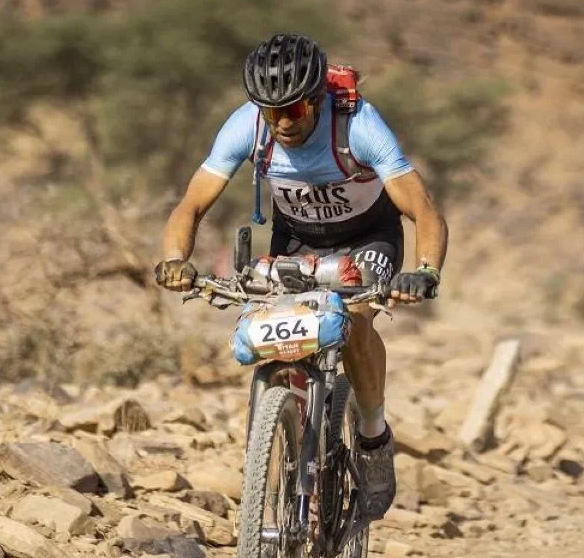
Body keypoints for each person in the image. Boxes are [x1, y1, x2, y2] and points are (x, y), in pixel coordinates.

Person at [155, 33, 449, 522]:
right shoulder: (247, 125)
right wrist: (173, 258)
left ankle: (373, 436)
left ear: (317, 100)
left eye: (294, 109)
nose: (283, 123)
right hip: (296, 239)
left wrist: (424, 272)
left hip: (368, 238)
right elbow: (192, 203)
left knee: (354, 318)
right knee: (270, 315)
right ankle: (284, 428)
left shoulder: (358, 124)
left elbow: (423, 210)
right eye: (272, 113)